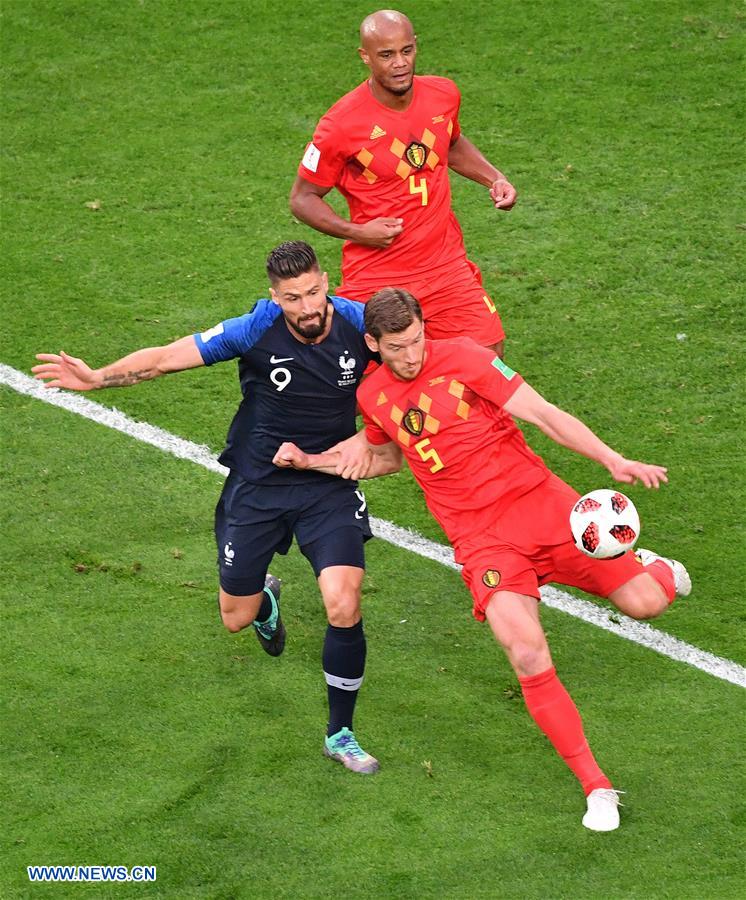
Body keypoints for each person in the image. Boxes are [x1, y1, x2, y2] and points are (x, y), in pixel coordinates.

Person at [273, 287, 692, 830]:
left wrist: (612, 460)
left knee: (646, 604)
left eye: (417, 340)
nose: (412, 355)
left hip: (542, 508)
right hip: (482, 540)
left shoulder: (467, 359)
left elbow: (544, 414)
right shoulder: (373, 395)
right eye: (397, 347)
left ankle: (658, 569)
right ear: (373, 344)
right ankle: (597, 786)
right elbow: (386, 457)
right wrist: (310, 462)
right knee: (526, 651)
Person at [32, 241, 381, 775]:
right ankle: (264, 600)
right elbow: (166, 358)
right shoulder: (255, 328)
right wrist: (98, 377)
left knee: (343, 602)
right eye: (293, 298)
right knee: (235, 617)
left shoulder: (360, 324)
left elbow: (417, 361)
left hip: (326, 483)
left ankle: (340, 733)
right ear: (275, 297)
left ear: (326, 281)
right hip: (258, 485)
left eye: (313, 292)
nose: (308, 307)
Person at [290, 9, 517, 356]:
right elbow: (303, 198)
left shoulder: (443, 95)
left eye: (406, 51)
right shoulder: (340, 125)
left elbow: (450, 143)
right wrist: (358, 232)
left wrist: (495, 178)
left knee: (487, 357)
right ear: (365, 56)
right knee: (369, 375)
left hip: (445, 266)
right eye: (386, 55)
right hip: (378, 274)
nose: (400, 63)